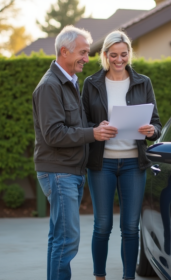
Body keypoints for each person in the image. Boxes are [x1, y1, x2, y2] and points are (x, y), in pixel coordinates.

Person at [32, 25, 117, 280]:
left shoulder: (69, 82)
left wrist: (95, 128)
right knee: (68, 239)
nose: (86, 58)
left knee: (59, 238)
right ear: (64, 51)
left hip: (69, 171)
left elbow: (74, 127)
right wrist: (93, 134)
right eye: (82, 52)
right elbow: (54, 134)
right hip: (59, 173)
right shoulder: (50, 86)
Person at [81, 30, 162, 280]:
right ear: (105, 55)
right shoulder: (91, 84)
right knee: (102, 226)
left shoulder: (143, 82)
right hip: (101, 163)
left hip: (133, 164)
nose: (119, 60)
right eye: (113, 55)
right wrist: (96, 130)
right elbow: (82, 124)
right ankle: (100, 277)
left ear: (129, 54)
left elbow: (157, 125)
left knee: (130, 227)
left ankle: (128, 277)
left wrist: (151, 131)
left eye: (123, 55)